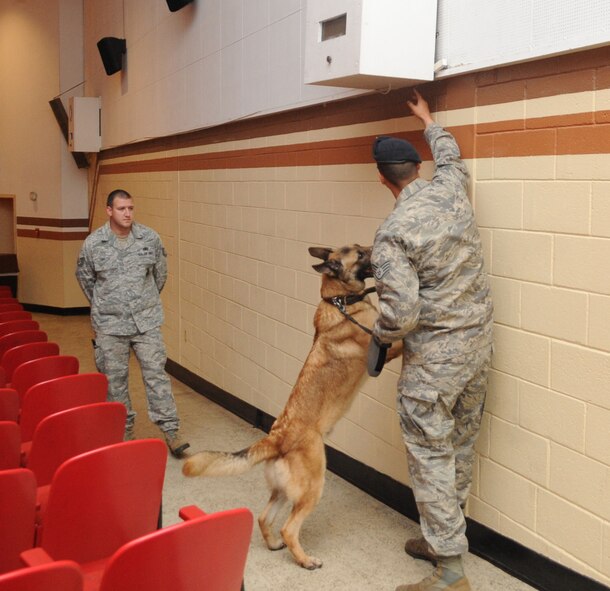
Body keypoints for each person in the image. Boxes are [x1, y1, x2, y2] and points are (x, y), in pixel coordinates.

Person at [371, 90, 493, 591]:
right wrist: (429, 121)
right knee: (458, 446)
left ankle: (449, 571)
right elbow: (452, 156)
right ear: (415, 169)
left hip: (433, 366)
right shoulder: (450, 189)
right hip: (477, 350)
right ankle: (438, 536)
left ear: (383, 179)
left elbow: (400, 314)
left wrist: (380, 339)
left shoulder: (394, 233)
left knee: (430, 455)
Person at [76, 189, 190, 458]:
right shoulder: (94, 244)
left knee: (156, 375)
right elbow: (85, 280)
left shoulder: (149, 238)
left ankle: (172, 433)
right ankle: (124, 431)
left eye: (130, 208)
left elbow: (159, 275)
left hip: (146, 322)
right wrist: (108, 306)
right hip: (110, 326)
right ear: (109, 211)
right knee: (115, 381)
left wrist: (142, 303)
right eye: (121, 209)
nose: (127, 213)